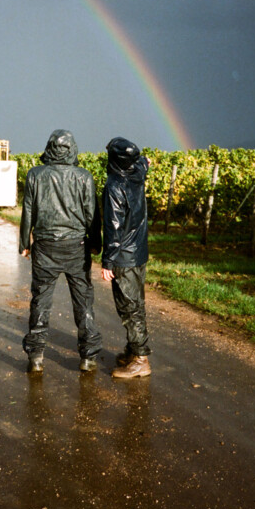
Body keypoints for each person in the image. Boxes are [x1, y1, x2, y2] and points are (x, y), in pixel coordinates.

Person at [19, 129, 102, 374]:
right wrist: (95, 243)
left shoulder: (35, 174)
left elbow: (28, 210)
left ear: (49, 148)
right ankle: (88, 357)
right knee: (83, 302)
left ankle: (36, 357)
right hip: (76, 248)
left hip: (45, 247)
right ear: (73, 149)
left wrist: (24, 243)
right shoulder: (84, 177)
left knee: (41, 301)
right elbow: (92, 214)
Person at [101, 137, 152, 379]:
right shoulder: (138, 172)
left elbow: (114, 226)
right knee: (136, 303)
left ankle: (141, 360)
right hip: (139, 252)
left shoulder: (114, 186)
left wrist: (108, 261)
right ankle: (133, 351)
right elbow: (144, 162)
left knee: (130, 308)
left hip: (124, 256)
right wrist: (144, 160)